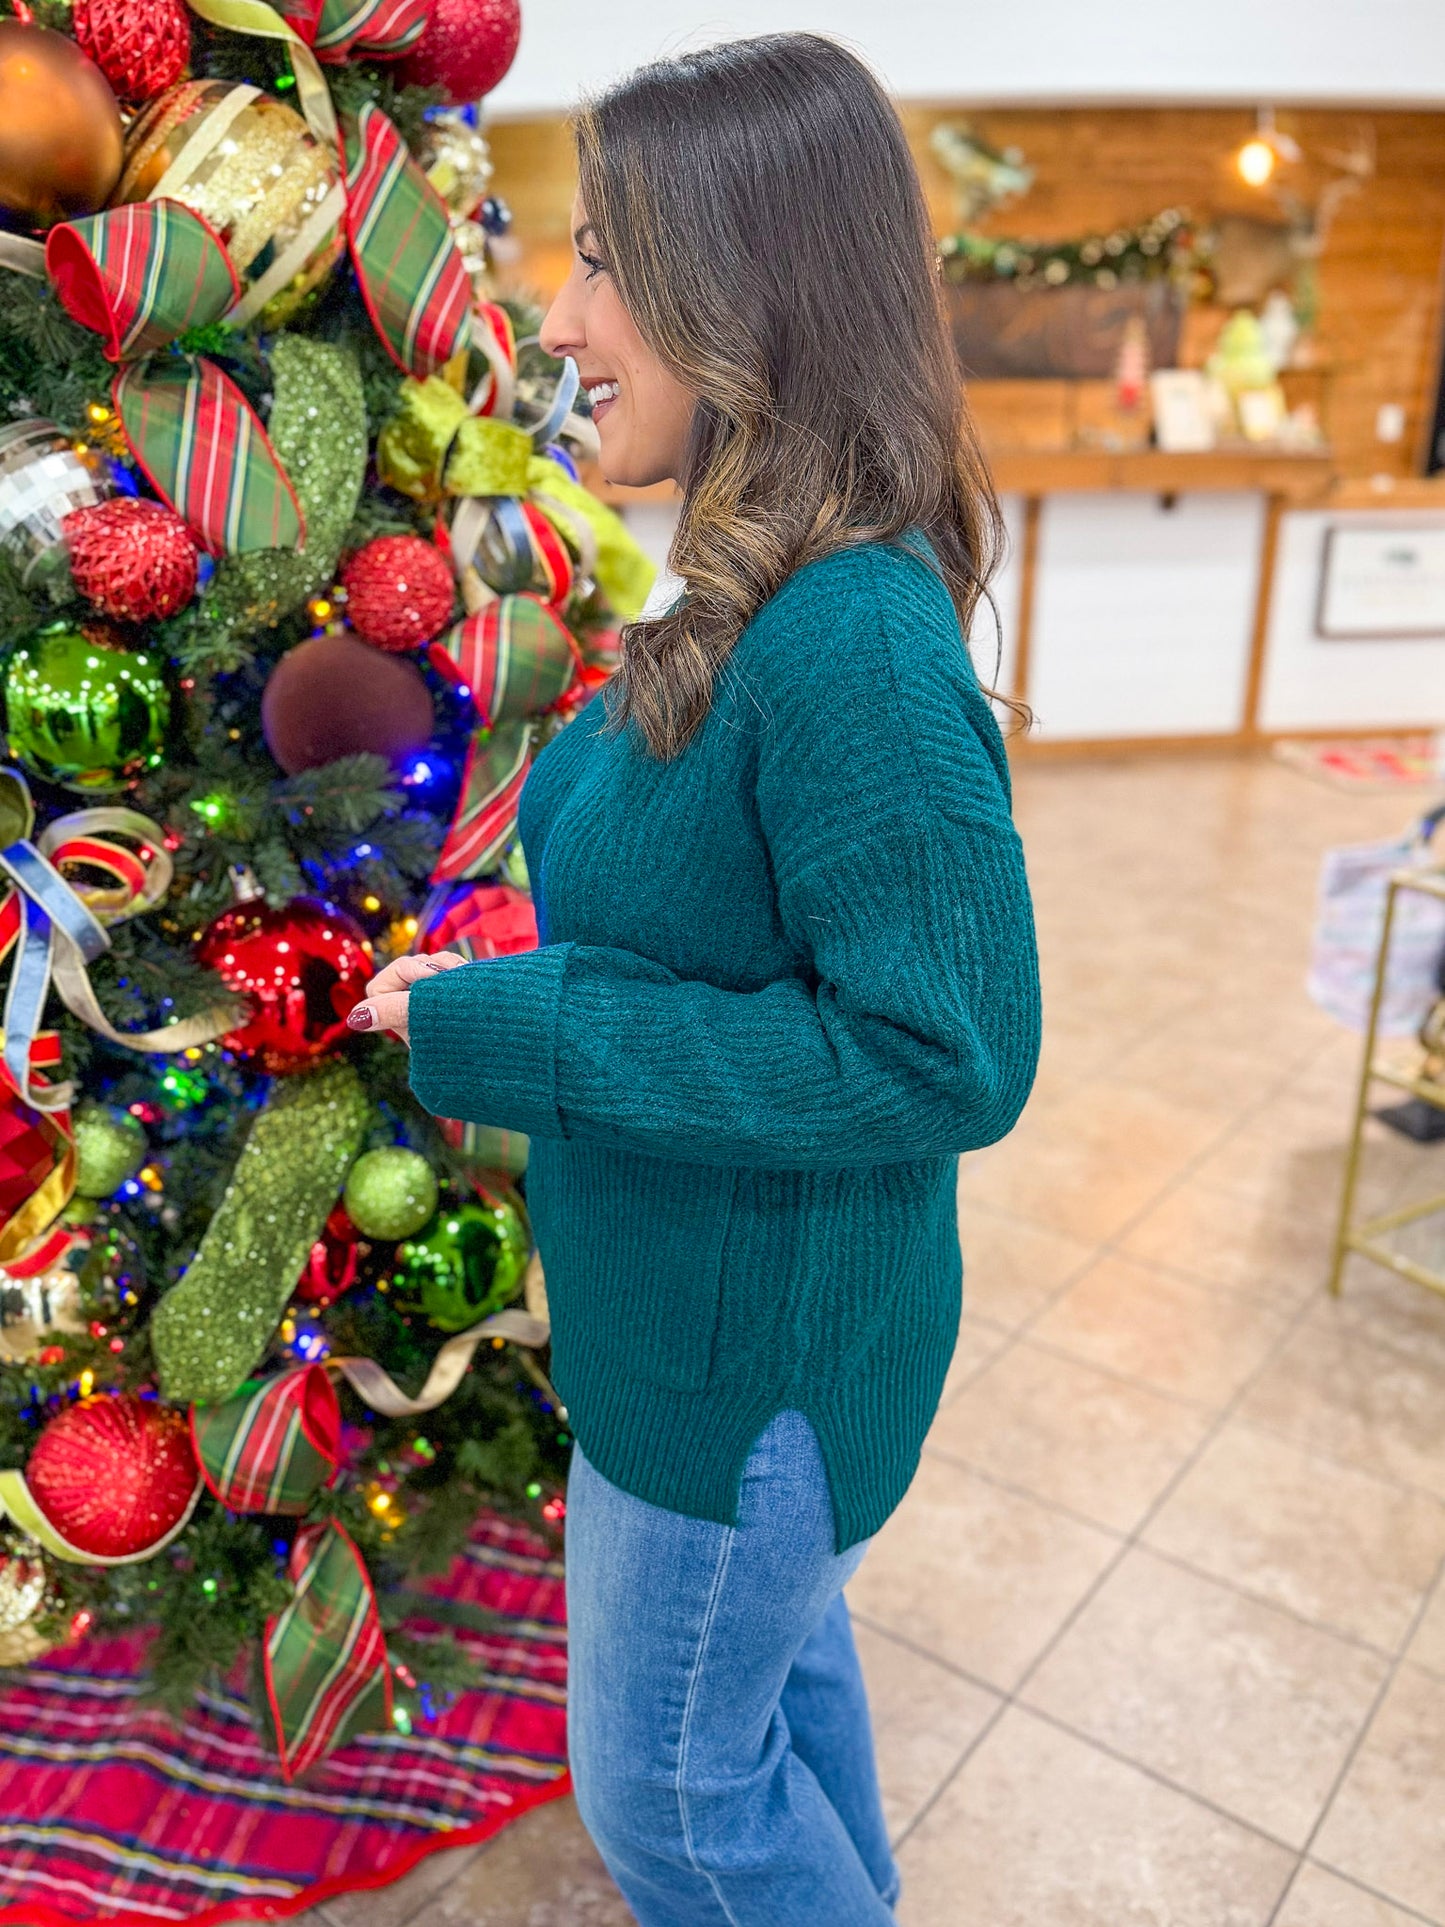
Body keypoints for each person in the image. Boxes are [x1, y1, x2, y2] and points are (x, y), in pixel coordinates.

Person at [347, 32, 1040, 1924]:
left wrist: (514, 1028)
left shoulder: (850, 639)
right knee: (772, 1714)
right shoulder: (749, 574)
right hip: (704, 1345)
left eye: (597, 260)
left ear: (743, 282)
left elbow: (942, 1053)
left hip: (751, 1382)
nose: (555, 316)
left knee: (669, 1801)